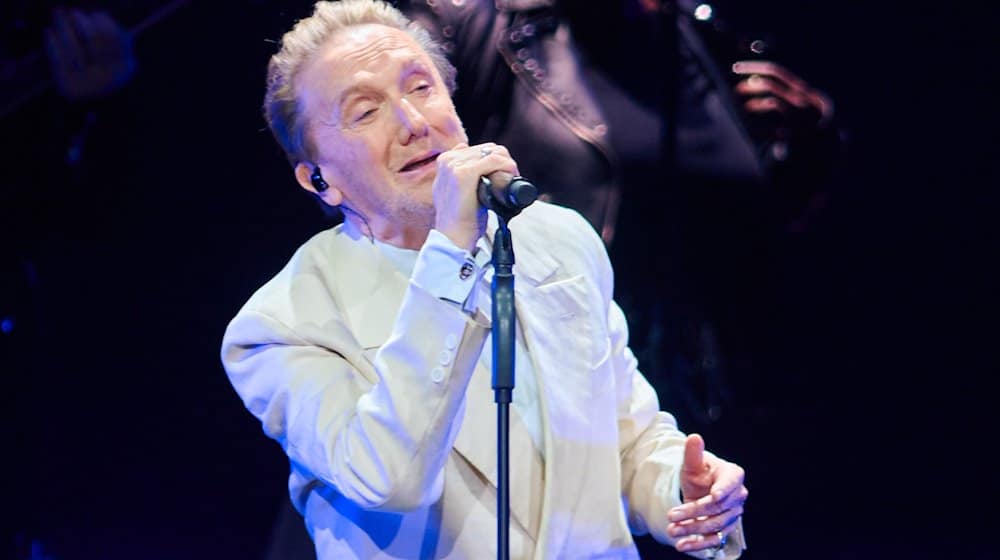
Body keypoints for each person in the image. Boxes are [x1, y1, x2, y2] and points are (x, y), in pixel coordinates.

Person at [220, 0, 748, 558]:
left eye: (421, 88)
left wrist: (680, 487)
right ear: (319, 179)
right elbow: (388, 478)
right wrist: (451, 250)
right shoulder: (281, 324)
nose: (414, 123)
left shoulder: (559, 240)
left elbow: (623, 437)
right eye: (365, 111)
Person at [396, 0, 844, 430]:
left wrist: (811, 145)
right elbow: (397, 179)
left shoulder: (696, 33)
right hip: (557, 390)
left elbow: (754, 226)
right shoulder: (472, 20)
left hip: (711, 395)